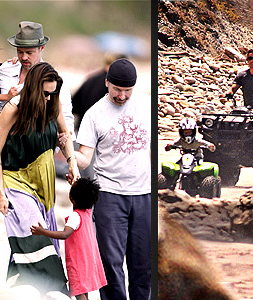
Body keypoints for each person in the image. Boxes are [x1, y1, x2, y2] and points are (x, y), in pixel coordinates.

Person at [0, 21, 74, 287]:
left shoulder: (53, 80)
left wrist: (67, 157)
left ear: (42, 48)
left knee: (26, 224)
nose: (24, 56)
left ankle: (20, 280)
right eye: (20, 50)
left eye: (30, 51)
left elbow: (64, 124)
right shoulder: (3, 70)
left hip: (27, 165)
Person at [0, 62, 79, 293]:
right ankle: (55, 288)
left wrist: (72, 163)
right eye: (45, 93)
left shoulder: (52, 105)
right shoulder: (13, 108)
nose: (49, 98)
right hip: (14, 178)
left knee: (31, 234)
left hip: (43, 185)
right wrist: (1, 194)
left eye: (53, 93)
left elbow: (64, 135)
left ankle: (20, 284)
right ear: (34, 89)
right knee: (36, 231)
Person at [71, 58, 151, 300]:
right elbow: (85, 157)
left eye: (127, 90)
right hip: (109, 196)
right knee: (110, 264)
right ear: (107, 82)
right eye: (117, 89)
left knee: (144, 266)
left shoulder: (147, 104)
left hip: (144, 195)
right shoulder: (94, 114)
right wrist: (70, 155)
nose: (122, 96)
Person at [31, 177, 107, 300]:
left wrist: (43, 232)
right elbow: (83, 195)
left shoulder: (75, 217)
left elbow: (64, 234)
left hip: (78, 262)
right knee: (84, 289)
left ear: (71, 198)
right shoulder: (87, 211)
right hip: (89, 259)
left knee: (78, 291)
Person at [72, 53, 126, 130]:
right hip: (103, 132)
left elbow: (74, 106)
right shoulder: (115, 85)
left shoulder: (90, 79)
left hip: (83, 130)